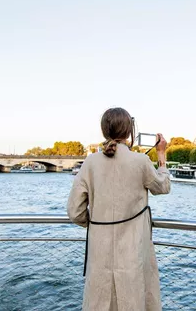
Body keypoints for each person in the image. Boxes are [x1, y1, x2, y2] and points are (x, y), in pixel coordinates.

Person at [67, 107, 171, 311]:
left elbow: (75, 211)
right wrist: (161, 154)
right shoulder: (140, 161)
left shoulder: (90, 162)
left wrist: (97, 224)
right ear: (129, 131)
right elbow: (163, 186)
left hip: (99, 252)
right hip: (133, 251)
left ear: (104, 130)